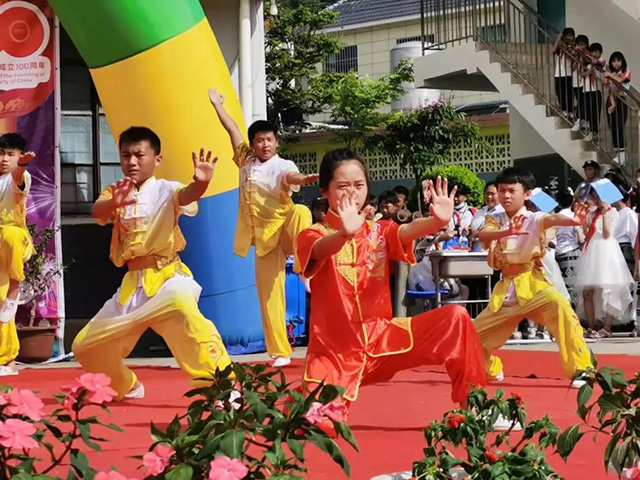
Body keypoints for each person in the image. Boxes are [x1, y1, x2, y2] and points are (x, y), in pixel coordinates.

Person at [297, 148, 487, 420]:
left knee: (455, 318)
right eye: (342, 186)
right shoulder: (312, 233)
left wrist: (438, 220)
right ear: (324, 191)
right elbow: (318, 250)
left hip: (384, 340)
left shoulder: (379, 230)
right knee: (318, 424)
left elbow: (406, 231)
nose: (352, 193)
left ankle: (474, 406)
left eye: (359, 185)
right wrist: (343, 234)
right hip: (334, 354)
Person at [72, 127, 231, 399]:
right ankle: (126, 385)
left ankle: (221, 388)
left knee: (186, 312)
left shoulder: (166, 189)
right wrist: (114, 204)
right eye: (125, 156)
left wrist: (202, 184)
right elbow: (98, 211)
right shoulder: (115, 190)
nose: (131, 162)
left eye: (139, 155)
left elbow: (188, 195)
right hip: (132, 287)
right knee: (85, 346)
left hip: (168, 277)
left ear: (157, 159)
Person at [209, 89, 315, 367]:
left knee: (302, 211)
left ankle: (306, 268)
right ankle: (280, 352)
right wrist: (218, 105)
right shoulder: (245, 160)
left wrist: (304, 180)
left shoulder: (283, 164)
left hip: (285, 228)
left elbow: (291, 176)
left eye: (269, 140)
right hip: (264, 239)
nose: (265, 145)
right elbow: (232, 130)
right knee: (268, 297)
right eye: (260, 141)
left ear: (276, 142)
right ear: (253, 144)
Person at [474, 166, 592, 387]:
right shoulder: (494, 218)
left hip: (534, 284)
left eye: (511, 190)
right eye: (501, 190)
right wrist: (507, 232)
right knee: (472, 337)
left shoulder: (534, 217)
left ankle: (581, 369)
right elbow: (483, 234)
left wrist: (575, 222)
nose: (505, 195)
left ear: (527, 193)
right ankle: (491, 369)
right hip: (506, 291)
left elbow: (553, 218)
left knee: (562, 309)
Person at [574, 186, 634, 338]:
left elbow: (607, 234)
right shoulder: (593, 213)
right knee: (587, 292)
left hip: (607, 251)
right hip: (591, 251)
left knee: (609, 289)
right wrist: (584, 220)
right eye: (594, 198)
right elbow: (587, 236)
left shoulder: (613, 212)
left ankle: (607, 327)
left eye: (597, 197)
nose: (595, 201)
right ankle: (591, 326)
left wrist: (606, 213)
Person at [0, 134, 36, 376]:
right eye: (1, 154)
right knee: (1, 306)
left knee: (10, 234)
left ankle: (16, 287)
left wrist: (20, 166)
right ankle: (7, 361)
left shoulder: (20, 177)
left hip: (13, 239)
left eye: (10, 154)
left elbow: (17, 179)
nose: (4, 159)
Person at [555, 189, 584, 307]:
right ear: (572, 200)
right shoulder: (574, 217)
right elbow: (580, 239)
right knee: (572, 287)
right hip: (571, 252)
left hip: (557, 253)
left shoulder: (555, 217)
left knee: (559, 287)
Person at [614, 192, 638, 327]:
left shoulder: (628, 213)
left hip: (625, 248)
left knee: (628, 285)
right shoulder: (614, 212)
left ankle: (630, 318)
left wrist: (636, 257)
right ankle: (621, 318)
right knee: (617, 285)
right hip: (615, 248)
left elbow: (634, 234)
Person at [605, 51, 632, 165]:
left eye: (618, 60)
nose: (616, 63)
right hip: (612, 100)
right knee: (612, 126)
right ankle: (617, 151)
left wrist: (609, 74)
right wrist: (612, 103)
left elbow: (620, 81)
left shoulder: (627, 72)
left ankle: (623, 153)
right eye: (614, 61)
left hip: (622, 100)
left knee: (620, 125)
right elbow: (610, 89)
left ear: (622, 61)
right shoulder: (610, 74)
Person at [581, 43, 606, 142]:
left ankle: (594, 131)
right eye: (592, 52)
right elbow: (582, 74)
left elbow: (600, 69)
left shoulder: (602, 62)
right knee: (588, 109)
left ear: (600, 53)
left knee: (595, 111)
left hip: (596, 89)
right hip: (586, 89)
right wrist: (588, 71)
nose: (594, 54)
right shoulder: (587, 64)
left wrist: (592, 62)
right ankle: (590, 128)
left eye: (596, 52)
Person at [469, 182, 504, 252]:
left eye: (492, 194)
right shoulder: (480, 211)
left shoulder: (503, 212)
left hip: (492, 252)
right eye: (487, 193)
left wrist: (479, 233)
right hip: (476, 251)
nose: (489, 197)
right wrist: (468, 230)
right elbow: (472, 228)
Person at [553, 27, 575, 117]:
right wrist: (559, 38)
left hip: (569, 73)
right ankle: (563, 108)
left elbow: (572, 56)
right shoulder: (560, 46)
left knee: (569, 93)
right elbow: (553, 50)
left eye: (571, 35)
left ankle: (570, 110)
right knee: (560, 93)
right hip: (559, 73)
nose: (569, 37)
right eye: (567, 35)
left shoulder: (573, 46)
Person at [571, 34, 590, 132]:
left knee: (583, 101)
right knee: (580, 101)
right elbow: (573, 67)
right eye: (579, 44)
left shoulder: (587, 54)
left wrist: (582, 55)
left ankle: (581, 120)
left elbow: (586, 62)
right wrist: (577, 56)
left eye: (583, 44)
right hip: (575, 81)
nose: (581, 46)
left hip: (584, 83)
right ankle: (581, 119)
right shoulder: (575, 54)